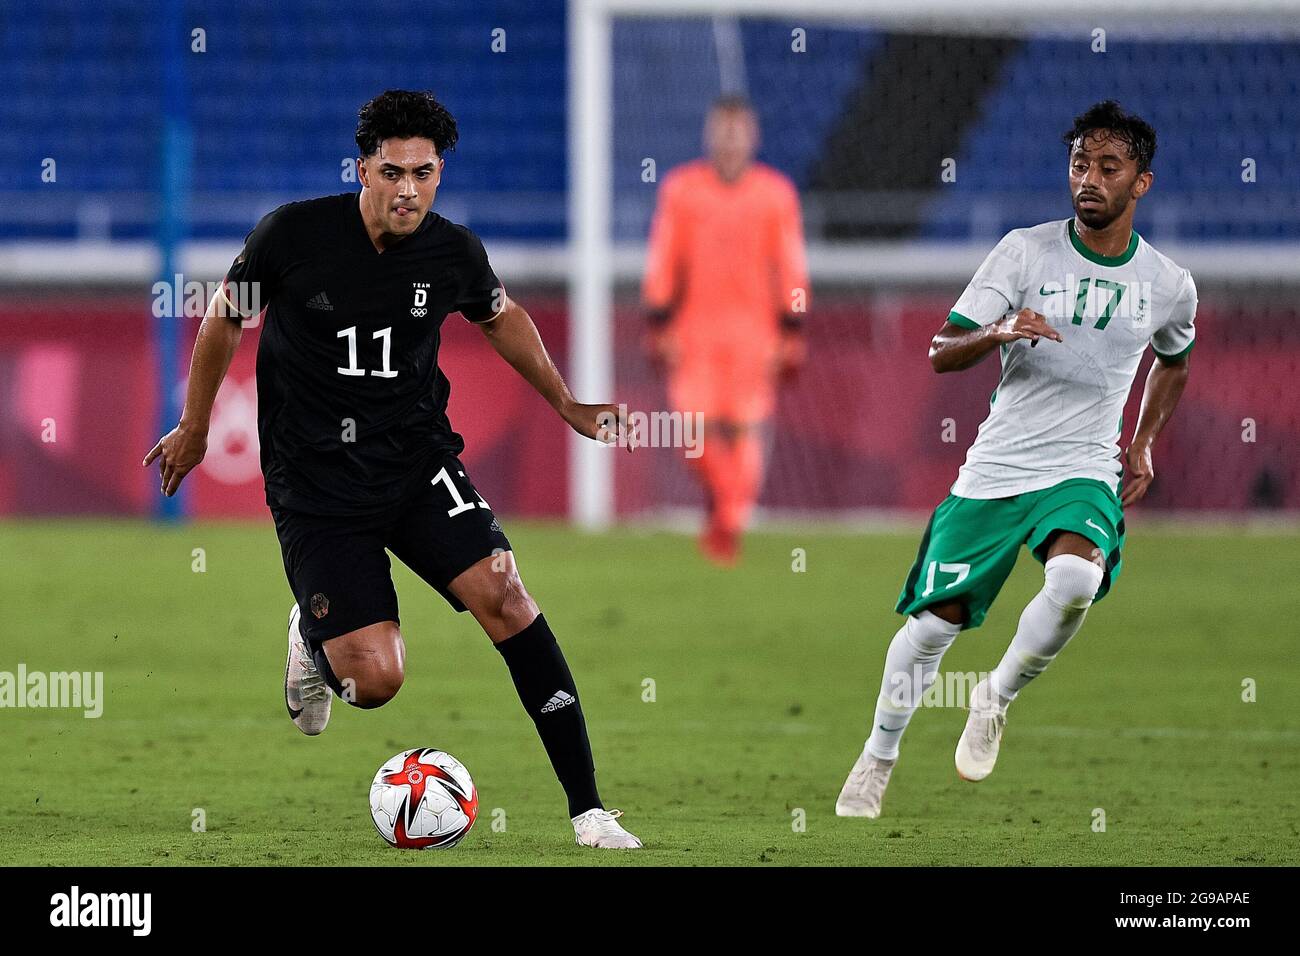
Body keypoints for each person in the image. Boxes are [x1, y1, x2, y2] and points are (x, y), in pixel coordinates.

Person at [144, 89, 642, 849]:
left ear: (439, 174)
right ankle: (313, 639)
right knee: (375, 683)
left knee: (505, 591)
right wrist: (196, 423)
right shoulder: (293, 235)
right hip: (315, 484)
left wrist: (567, 403)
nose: (409, 188)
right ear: (362, 170)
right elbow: (224, 316)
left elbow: (500, 316)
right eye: (392, 171)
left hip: (413, 461)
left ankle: (590, 811)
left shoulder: (453, 252)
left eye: (425, 172)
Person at [836, 101, 1195, 818]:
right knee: (933, 627)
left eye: (1107, 167)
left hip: (1084, 467)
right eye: (1079, 164)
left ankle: (994, 695)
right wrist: (1000, 329)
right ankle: (879, 755)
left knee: (1073, 581)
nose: (1088, 179)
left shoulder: (1167, 283)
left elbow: (1175, 358)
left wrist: (1145, 440)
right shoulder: (1025, 252)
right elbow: (941, 350)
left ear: (1141, 183)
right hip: (998, 468)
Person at [642, 94, 810, 564]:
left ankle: (729, 522)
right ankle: (726, 505)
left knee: (746, 431)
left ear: (753, 136)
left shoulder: (775, 193)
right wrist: (658, 319)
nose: (731, 140)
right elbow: (664, 256)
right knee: (692, 436)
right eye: (723, 130)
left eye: (739, 131)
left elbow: (791, 263)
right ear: (710, 135)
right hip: (694, 332)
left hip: (755, 336)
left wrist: (792, 328)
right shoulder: (681, 189)